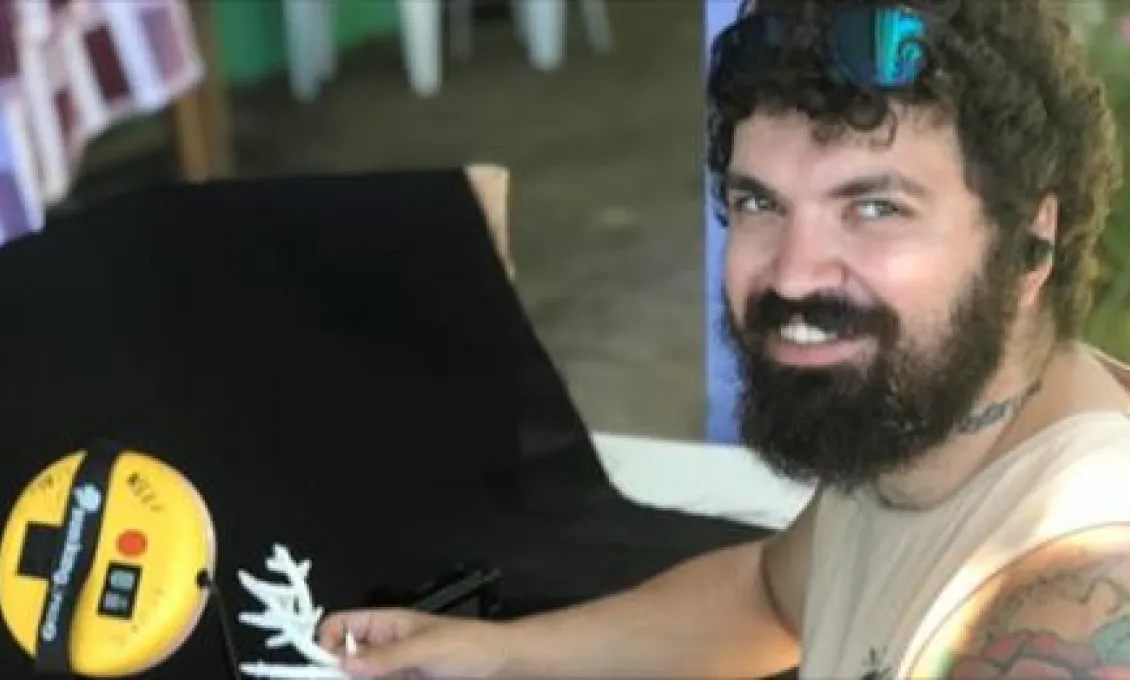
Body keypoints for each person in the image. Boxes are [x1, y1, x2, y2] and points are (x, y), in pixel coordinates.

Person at [319, 0, 1130, 677]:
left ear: (1031, 241)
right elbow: (769, 599)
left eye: (876, 208)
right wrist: (494, 655)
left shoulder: (1075, 595)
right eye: (760, 204)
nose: (796, 275)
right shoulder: (928, 420)